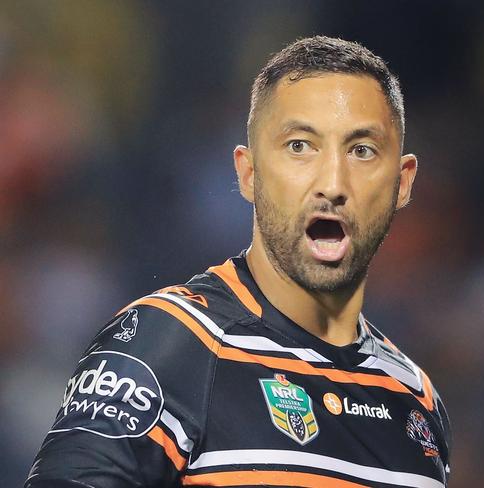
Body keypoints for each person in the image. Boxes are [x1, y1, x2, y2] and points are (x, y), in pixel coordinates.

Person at [25, 36, 451, 488]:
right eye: (300, 146)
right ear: (248, 173)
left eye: (362, 150)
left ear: (402, 183)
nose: (333, 182)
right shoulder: (169, 341)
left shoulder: (416, 400)